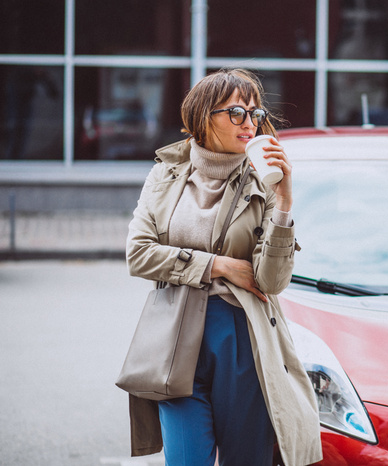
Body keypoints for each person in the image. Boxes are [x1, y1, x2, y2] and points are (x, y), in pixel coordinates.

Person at [125, 68, 322, 466]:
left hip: (241, 337)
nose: (249, 123)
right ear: (202, 117)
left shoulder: (264, 181)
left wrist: (283, 201)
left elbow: (270, 280)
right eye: (236, 113)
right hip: (175, 338)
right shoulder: (165, 174)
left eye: (255, 113)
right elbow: (139, 253)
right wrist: (220, 266)